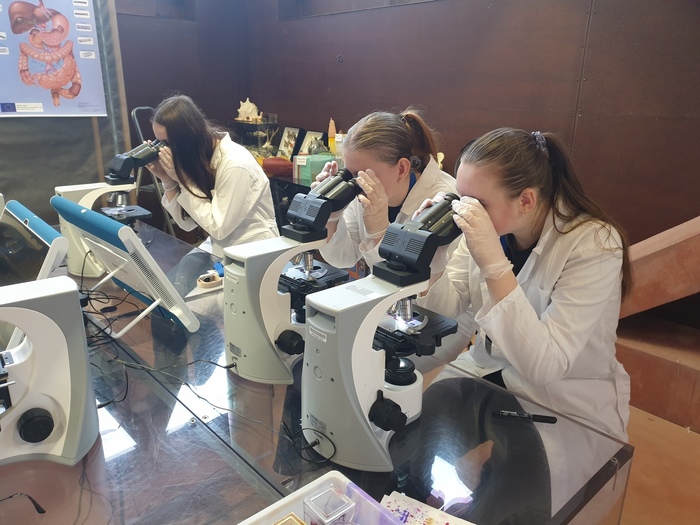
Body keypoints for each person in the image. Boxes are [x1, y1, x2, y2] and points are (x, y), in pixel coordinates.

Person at [417, 127, 632, 441]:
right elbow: (447, 308)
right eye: (461, 199)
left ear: (527, 200)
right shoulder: (492, 227)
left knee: (525, 469)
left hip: (561, 398)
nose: (465, 212)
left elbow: (545, 366)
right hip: (487, 368)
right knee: (411, 438)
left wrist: (494, 265)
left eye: (477, 203)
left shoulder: (594, 244)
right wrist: (433, 257)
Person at [316, 109, 457, 279]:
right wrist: (331, 214)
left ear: (402, 168)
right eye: (350, 174)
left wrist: (379, 233)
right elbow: (343, 258)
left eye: (363, 175)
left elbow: (416, 285)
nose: (356, 183)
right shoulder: (361, 187)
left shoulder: (444, 200)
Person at [146, 94, 279, 258]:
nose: (163, 149)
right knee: (184, 268)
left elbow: (218, 227)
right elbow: (187, 224)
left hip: (253, 251)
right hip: (223, 248)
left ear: (187, 138)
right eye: (158, 142)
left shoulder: (235, 164)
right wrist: (168, 181)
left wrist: (184, 180)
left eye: (166, 143)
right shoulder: (201, 156)